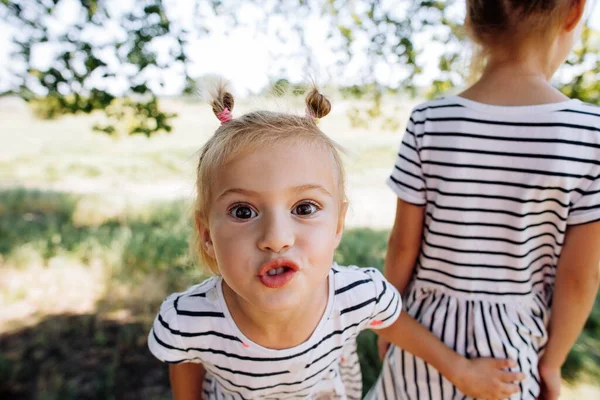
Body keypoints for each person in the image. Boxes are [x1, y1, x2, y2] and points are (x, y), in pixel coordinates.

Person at [148, 83, 523, 399]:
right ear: (206, 235)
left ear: (339, 222)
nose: (277, 239)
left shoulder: (358, 295)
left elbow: (392, 322)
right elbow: (187, 363)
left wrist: (461, 371)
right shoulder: (188, 320)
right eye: (243, 212)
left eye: (305, 207)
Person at [369, 1, 600, 399]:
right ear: (574, 12)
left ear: (474, 17)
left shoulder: (429, 121)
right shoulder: (589, 135)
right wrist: (552, 362)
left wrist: (390, 324)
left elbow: (402, 246)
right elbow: (579, 278)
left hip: (423, 342)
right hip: (511, 355)